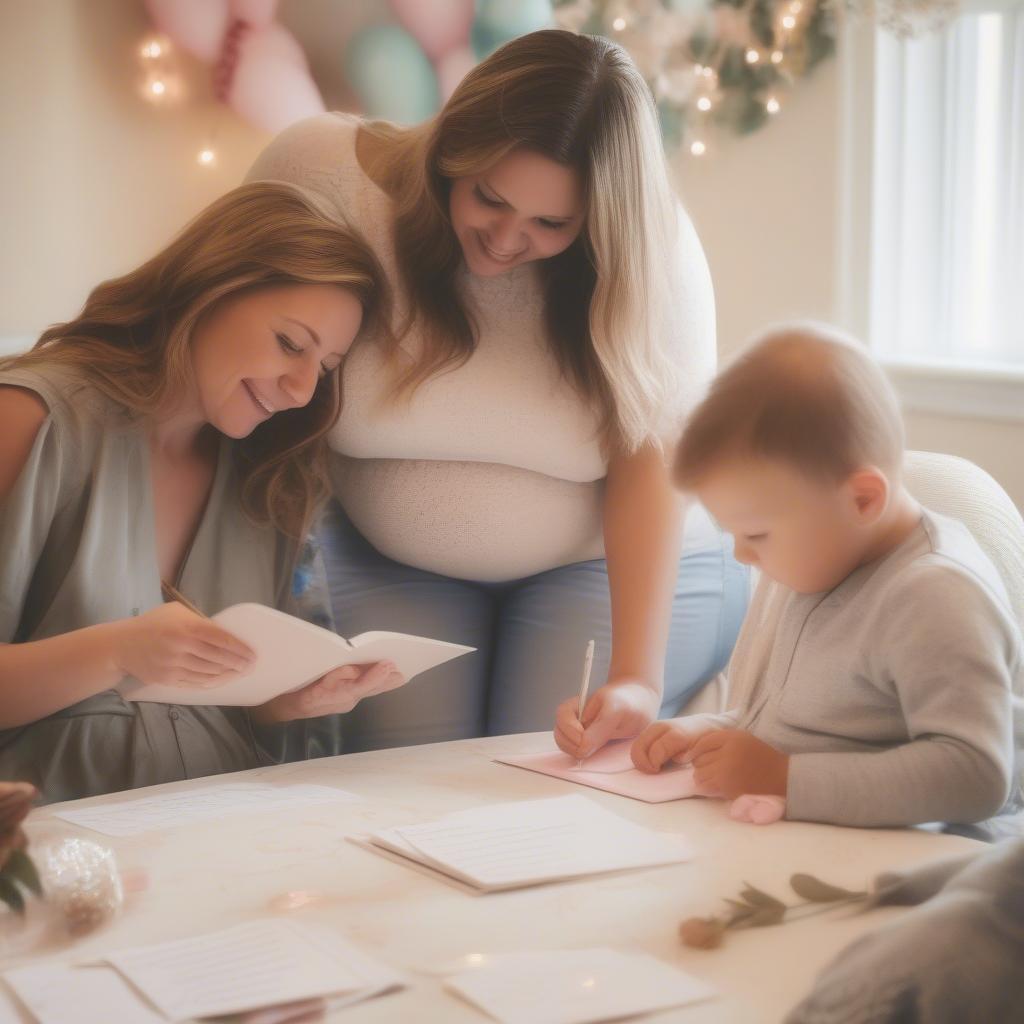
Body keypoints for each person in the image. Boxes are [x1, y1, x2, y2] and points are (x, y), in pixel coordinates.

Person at [246, 28, 748, 755]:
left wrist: (637, 675)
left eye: (551, 223)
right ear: (453, 149)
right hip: (388, 558)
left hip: (604, 564)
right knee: (405, 774)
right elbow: (229, 344)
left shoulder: (657, 255)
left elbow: (651, 461)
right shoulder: (323, 172)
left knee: (537, 767)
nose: (507, 241)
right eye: (489, 197)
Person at [0, 181, 405, 803]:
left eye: (324, 368)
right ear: (211, 288)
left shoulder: (271, 481)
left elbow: (217, 713)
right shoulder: (32, 418)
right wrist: (115, 652)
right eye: (290, 343)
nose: (301, 389)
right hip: (48, 835)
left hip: (221, 827)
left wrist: (285, 699)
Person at [626, 324, 1023, 839]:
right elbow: (819, 728)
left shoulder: (936, 595)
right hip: (820, 837)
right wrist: (713, 734)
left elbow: (976, 774)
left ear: (862, 500)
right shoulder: (817, 559)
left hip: (940, 860)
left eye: (756, 534)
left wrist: (785, 778)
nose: (745, 555)